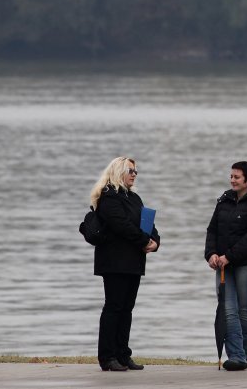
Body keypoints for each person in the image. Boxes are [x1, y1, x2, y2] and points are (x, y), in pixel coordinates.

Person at [91, 156, 159, 372]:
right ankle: (107, 357)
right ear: (118, 171)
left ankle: (123, 354)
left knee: (127, 309)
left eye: (136, 171)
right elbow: (121, 225)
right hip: (114, 262)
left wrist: (155, 242)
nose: (134, 174)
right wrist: (144, 240)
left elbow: (148, 223)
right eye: (130, 170)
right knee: (114, 307)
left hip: (133, 262)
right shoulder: (109, 197)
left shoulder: (134, 198)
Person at [204, 161, 247, 371]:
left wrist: (229, 256)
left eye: (237, 177)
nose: (232, 180)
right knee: (227, 310)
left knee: (245, 311)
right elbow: (212, 230)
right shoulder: (224, 200)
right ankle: (237, 356)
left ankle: (243, 354)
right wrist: (211, 254)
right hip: (223, 265)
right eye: (231, 176)